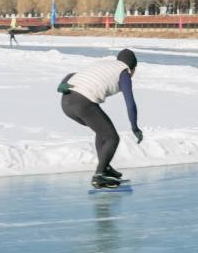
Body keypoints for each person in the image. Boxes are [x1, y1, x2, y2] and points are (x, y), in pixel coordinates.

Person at [58, 49, 143, 189]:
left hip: (66, 102)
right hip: (83, 103)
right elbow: (130, 102)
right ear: (133, 67)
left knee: (102, 132)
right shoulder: (124, 73)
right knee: (112, 138)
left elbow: (72, 74)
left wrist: (62, 83)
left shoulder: (104, 64)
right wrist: (134, 127)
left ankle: (105, 167)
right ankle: (99, 175)